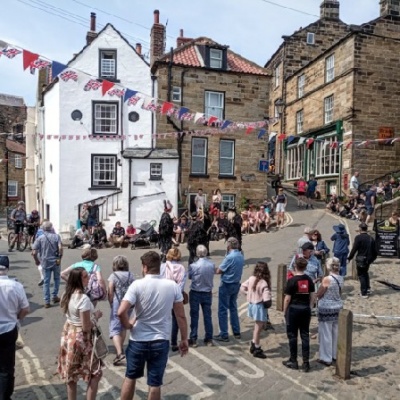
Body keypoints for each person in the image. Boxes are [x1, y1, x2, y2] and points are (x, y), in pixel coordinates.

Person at [117, 251, 188, 400]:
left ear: (144, 267)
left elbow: (121, 311)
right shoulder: (172, 286)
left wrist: (128, 325)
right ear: (159, 266)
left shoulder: (137, 284)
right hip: (160, 340)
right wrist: (184, 339)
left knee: (130, 377)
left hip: (138, 340)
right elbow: (181, 316)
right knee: (155, 384)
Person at [58, 267, 103, 400]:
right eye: (85, 276)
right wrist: (96, 316)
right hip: (81, 339)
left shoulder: (66, 295)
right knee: (95, 372)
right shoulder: (83, 299)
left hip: (68, 334)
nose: (88, 278)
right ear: (78, 280)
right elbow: (85, 326)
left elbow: (69, 315)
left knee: (71, 374)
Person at [0, 255, 30, 400]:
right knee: (6, 367)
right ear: (8, 268)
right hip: (9, 329)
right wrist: (16, 317)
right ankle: (5, 396)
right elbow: (25, 309)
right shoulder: (15, 285)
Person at [282, 257, 316, 372]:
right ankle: (306, 362)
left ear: (295, 266)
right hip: (305, 309)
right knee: (305, 335)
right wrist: (310, 307)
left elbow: (287, 298)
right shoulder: (309, 280)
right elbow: (312, 295)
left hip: (293, 310)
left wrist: (284, 311)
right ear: (305, 267)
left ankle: (293, 360)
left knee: (292, 335)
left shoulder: (292, 281)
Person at [214, 237, 244, 342]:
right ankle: (236, 332)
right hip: (236, 284)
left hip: (226, 284)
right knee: (233, 307)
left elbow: (219, 271)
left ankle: (224, 334)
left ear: (229, 245)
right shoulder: (240, 255)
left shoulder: (229, 257)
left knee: (222, 309)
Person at [240, 262, 272, 359]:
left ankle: (254, 343)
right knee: (258, 329)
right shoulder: (264, 283)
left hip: (252, 305)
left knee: (257, 326)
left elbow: (242, 287)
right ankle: (256, 348)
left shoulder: (251, 278)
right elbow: (266, 300)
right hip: (259, 307)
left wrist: (248, 294)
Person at [317, 257, 344, 367]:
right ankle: (334, 354)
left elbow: (320, 293)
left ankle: (326, 357)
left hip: (326, 308)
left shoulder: (327, 279)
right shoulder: (341, 278)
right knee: (335, 332)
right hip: (337, 307)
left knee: (326, 333)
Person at [108, 256, 135, 366]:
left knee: (114, 328)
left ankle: (119, 353)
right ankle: (121, 347)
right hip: (128, 304)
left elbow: (110, 291)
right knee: (123, 326)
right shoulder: (130, 275)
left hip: (117, 303)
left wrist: (111, 302)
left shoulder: (113, 276)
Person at [188, 245, 216, 348]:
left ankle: (194, 339)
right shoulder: (211, 264)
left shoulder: (193, 266)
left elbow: (190, 276)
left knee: (194, 316)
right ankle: (209, 338)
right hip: (207, 292)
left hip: (196, 291)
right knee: (207, 316)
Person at [160, 248, 187, 352]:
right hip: (176, 296)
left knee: (163, 319)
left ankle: (162, 340)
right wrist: (177, 294)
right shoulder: (182, 268)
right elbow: (182, 283)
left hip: (164, 295)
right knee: (176, 319)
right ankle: (174, 342)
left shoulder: (163, 267)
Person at [32, 221, 63, 308]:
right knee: (57, 279)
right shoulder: (57, 236)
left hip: (45, 261)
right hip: (56, 260)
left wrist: (36, 261)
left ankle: (47, 301)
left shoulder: (40, 238)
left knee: (46, 281)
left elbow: (34, 252)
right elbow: (60, 248)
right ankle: (54, 296)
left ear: (43, 228)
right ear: (51, 228)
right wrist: (60, 257)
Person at [347, 223, 377, 298]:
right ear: (366, 229)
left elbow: (354, 249)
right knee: (365, 273)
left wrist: (349, 258)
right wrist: (372, 259)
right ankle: (368, 288)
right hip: (368, 259)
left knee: (361, 275)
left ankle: (364, 293)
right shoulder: (371, 238)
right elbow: (375, 251)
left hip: (361, 259)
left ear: (360, 229)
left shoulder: (358, 238)